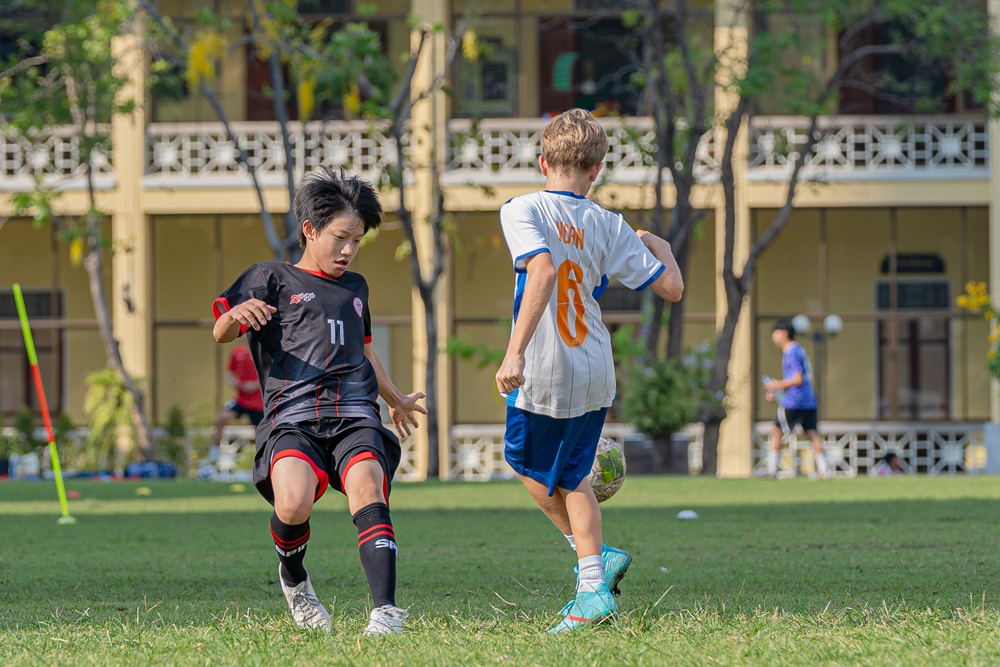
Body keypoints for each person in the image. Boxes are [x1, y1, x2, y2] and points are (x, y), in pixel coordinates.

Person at [211, 167, 426, 636]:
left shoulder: (356, 288)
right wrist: (236, 315)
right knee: (292, 505)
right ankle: (294, 579)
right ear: (310, 230)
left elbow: (364, 350)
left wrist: (394, 398)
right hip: (292, 419)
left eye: (357, 241)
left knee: (369, 488)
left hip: (354, 415)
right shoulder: (269, 278)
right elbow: (221, 331)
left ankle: (386, 613)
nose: (348, 250)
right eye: (340, 237)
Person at [495, 108, 683, 633]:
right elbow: (671, 289)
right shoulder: (609, 223)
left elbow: (542, 270)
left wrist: (514, 353)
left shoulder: (522, 208)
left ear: (542, 162)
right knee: (569, 472)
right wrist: (664, 249)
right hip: (597, 363)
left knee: (531, 467)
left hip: (546, 364)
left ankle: (593, 579)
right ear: (596, 169)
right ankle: (596, 562)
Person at [764, 319, 829, 480]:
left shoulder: (791, 352)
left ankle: (772, 469)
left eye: (776, 333)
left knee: (776, 430)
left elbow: (797, 379)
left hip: (795, 401)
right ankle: (823, 470)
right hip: (809, 400)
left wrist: (776, 385)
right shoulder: (798, 350)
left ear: (785, 334)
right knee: (812, 433)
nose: (773, 337)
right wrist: (778, 389)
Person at [211, 340, 264, 451]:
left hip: (258, 401)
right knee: (222, 417)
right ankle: (214, 453)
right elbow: (230, 372)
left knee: (261, 431)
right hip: (242, 399)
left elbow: (268, 375)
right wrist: (233, 382)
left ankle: (262, 456)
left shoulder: (262, 351)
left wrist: (254, 385)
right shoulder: (237, 351)